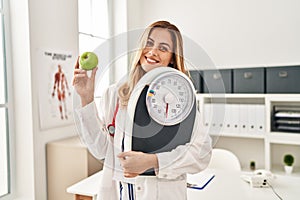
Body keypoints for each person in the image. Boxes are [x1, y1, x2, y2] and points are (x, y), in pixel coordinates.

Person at [73, 20, 212, 200]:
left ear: (172, 58)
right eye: (149, 43)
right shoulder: (115, 93)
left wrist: (154, 162)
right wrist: (86, 98)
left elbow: (202, 153)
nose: (152, 51)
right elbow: (102, 151)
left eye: (163, 48)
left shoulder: (180, 97)